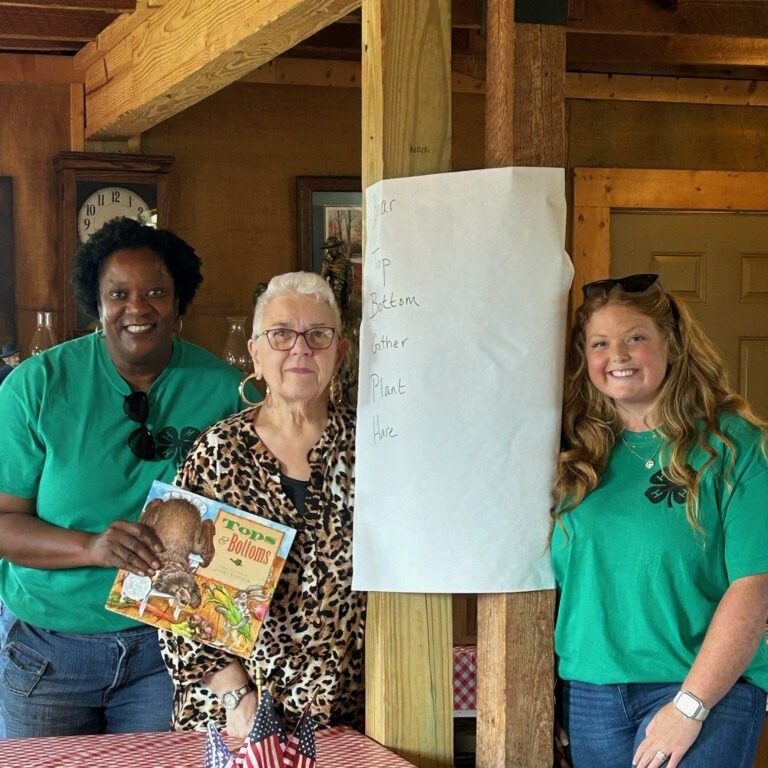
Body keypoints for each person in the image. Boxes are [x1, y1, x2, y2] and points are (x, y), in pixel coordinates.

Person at [0, 217, 245, 738]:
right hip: (49, 651)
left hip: (169, 652)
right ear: (97, 303)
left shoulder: (228, 391)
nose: (138, 308)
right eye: (119, 294)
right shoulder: (36, 385)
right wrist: (90, 548)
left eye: (156, 292)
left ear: (179, 303)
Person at [551, 273, 768, 768]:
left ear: (670, 344)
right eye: (600, 343)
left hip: (704, 686)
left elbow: (754, 586)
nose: (618, 355)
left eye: (635, 338)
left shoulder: (735, 445)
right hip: (591, 693)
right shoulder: (571, 452)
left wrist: (691, 706)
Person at [159, 271, 365, 737]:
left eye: (318, 335)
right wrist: (236, 695)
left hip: (349, 717)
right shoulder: (216, 453)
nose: (300, 349)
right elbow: (171, 593)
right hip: (232, 716)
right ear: (255, 353)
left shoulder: (373, 450)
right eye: (281, 334)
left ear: (340, 352)